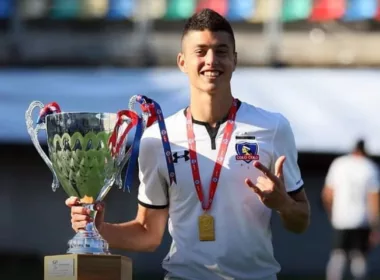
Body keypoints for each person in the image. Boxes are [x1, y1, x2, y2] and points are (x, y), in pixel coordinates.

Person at [66, 9, 310, 280]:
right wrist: (98, 230)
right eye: (201, 51)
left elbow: (301, 221)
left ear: (235, 60)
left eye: (221, 51)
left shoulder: (273, 127)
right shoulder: (157, 139)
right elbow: (148, 234)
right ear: (182, 62)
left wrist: (283, 204)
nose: (211, 60)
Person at [322, 139, 380, 280]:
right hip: (362, 219)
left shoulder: (339, 164)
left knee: (338, 254)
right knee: (359, 256)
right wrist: (376, 225)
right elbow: (374, 197)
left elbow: (327, 194)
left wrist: (331, 214)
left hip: (340, 218)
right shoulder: (370, 167)